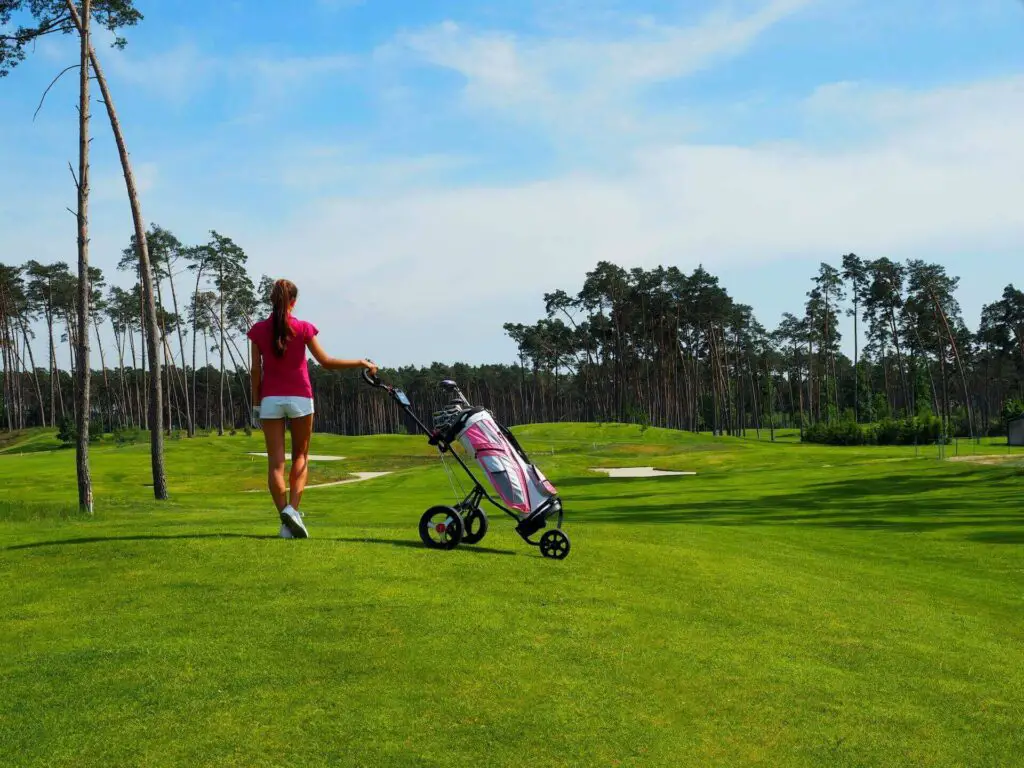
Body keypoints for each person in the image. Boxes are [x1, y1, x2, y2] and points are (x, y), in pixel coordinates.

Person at [248, 279, 377, 538]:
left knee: (275, 465)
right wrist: (361, 361)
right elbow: (327, 362)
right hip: (300, 399)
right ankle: (292, 513)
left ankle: (285, 520)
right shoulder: (304, 328)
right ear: (293, 302)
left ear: (272, 300)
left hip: (270, 400)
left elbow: (255, 371)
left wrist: (255, 404)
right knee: (300, 457)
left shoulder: (258, 330)